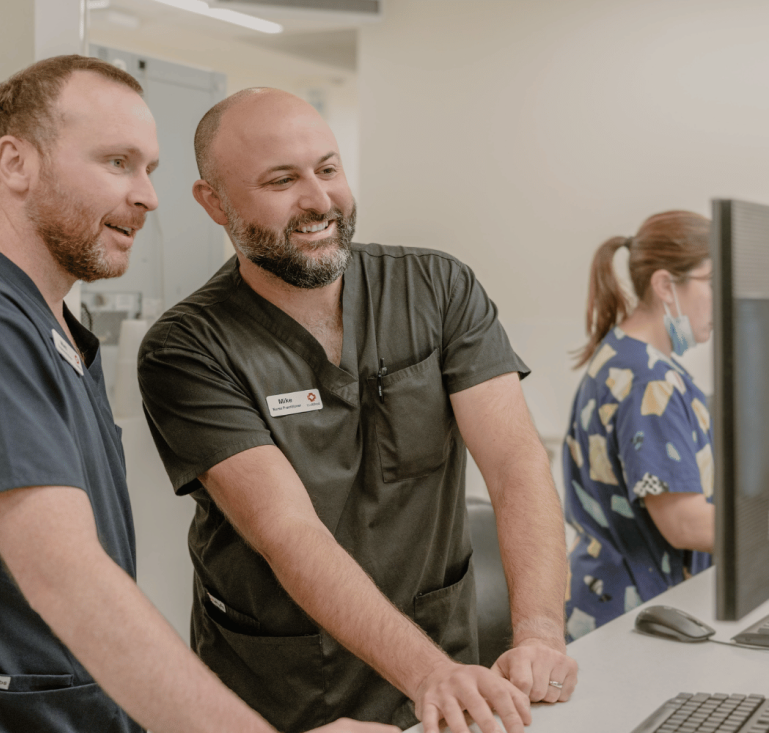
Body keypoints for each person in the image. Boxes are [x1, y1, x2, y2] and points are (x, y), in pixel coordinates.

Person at [0, 56, 394, 733]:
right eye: (117, 162)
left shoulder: (46, 322)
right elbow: (67, 578)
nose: (149, 196)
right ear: (16, 164)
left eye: (150, 169)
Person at [136, 87, 578, 733]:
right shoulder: (189, 347)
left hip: (452, 689)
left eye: (329, 168)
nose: (319, 200)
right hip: (289, 700)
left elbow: (515, 463)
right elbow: (288, 531)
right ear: (214, 202)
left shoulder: (437, 289)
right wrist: (427, 673)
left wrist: (540, 632)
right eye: (282, 179)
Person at [563, 210, 715, 640]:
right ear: (666, 285)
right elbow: (684, 523)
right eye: (713, 281)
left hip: (614, 603)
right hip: (632, 615)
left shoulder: (624, 357)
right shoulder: (650, 380)